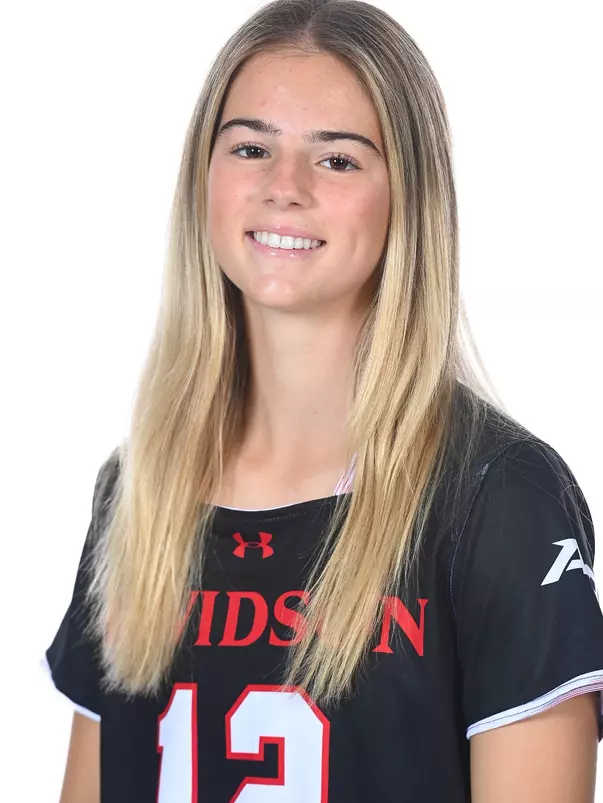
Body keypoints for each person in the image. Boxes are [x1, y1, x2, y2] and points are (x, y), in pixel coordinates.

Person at [43, 1, 603, 801]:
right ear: (203, 176)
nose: (284, 187)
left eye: (337, 160)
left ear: (407, 195)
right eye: (250, 147)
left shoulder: (496, 498)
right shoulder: (138, 491)